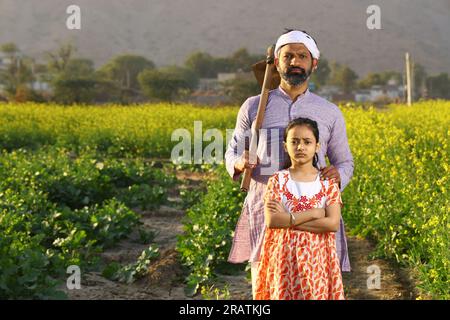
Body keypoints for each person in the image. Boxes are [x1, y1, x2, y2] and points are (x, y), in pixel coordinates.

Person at [224, 29, 354, 297]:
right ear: (276, 62)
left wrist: (338, 174)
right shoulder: (253, 107)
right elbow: (232, 151)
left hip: (315, 216)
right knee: (269, 285)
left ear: (313, 63)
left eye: (302, 56)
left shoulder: (329, 112)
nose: (295, 62)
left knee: (315, 286)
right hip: (266, 209)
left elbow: (345, 162)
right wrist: (240, 162)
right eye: (288, 56)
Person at [255, 117, 345, 300]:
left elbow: (332, 224)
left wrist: (289, 219)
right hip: (284, 260)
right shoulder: (277, 180)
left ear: (317, 146)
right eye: (294, 142)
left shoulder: (327, 183)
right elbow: (272, 221)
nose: (300, 147)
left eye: (307, 142)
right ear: (284, 146)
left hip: (318, 260)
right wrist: (314, 213)